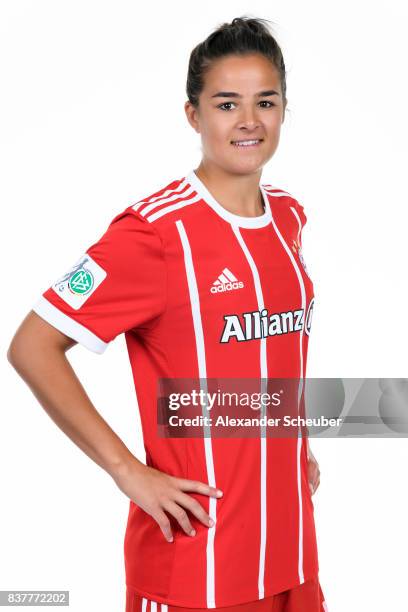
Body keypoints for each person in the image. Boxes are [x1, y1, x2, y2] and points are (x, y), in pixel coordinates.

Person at [7, 15, 327, 612]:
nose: (249, 120)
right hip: (199, 562)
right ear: (193, 115)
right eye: (226, 103)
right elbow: (31, 345)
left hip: (290, 551)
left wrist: (295, 441)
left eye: (266, 101)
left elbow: (267, 354)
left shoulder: (289, 218)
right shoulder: (153, 234)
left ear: (285, 109)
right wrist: (127, 471)